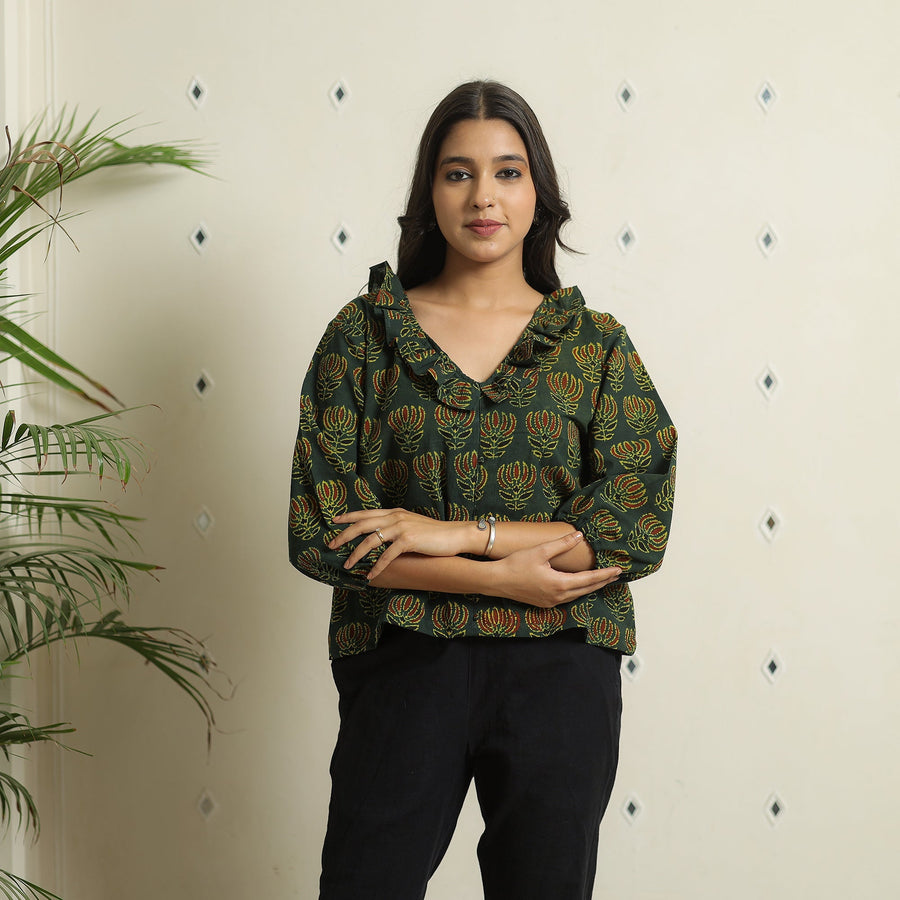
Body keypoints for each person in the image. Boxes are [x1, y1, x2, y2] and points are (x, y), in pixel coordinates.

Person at [288, 80, 677, 900]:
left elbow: (632, 524)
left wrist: (455, 534)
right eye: (458, 173)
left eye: (507, 171)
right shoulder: (365, 337)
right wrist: (505, 578)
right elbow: (325, 533)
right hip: (403, 663)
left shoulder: (595, 346)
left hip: (560, 668)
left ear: (540, 193)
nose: (483, 197)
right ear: (429, 194)